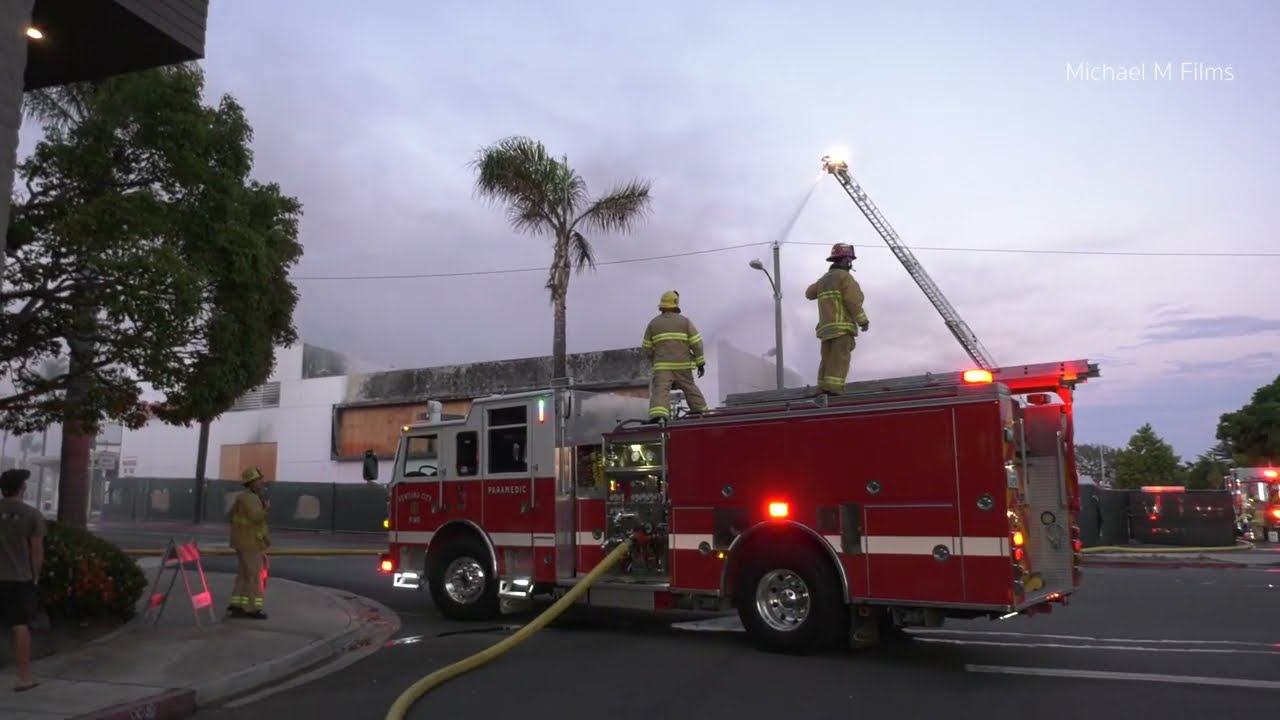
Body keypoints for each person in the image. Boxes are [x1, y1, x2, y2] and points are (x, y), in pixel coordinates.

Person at [804, 242, 869, 395]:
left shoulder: (824, 280)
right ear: (846, 260)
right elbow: (852, 301)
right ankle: (834, 389)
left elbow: (809, 294)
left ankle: (822, 388)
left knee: (826, 360)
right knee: (839, 359)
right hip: (842, 327)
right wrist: (863, 321)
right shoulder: (845, 278)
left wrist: (823, 284)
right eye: (849, 260)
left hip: (826, 329)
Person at [0, 468, 44, 692]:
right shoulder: (31, 514)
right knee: (20, 626)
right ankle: (24, 677)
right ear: (21, 488)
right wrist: (35, 576)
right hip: (18, 578)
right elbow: (36, 550)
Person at [642, 290, 710, 424]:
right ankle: (701, 412)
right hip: (682, 364)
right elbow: (696, 343)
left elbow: (646, 347)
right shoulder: (685, 322)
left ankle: (658, 416)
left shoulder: (653, 323)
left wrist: (654, 360)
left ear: (662, 305)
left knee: (660, 390)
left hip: (662, 366)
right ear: (676, 304)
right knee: (690, 387)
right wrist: (700, 363)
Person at [227, 466, 271, 619]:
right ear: (251, 483)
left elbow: (231, 515)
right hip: (250, 543)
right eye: (259, 480)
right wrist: (266, 509)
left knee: (244, 574)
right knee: (254, 576)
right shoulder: (251, 498)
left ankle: (237, 604)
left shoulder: (242, 497)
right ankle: (252, 608)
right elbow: (256, 518)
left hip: (242, 542)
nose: (261, 482)